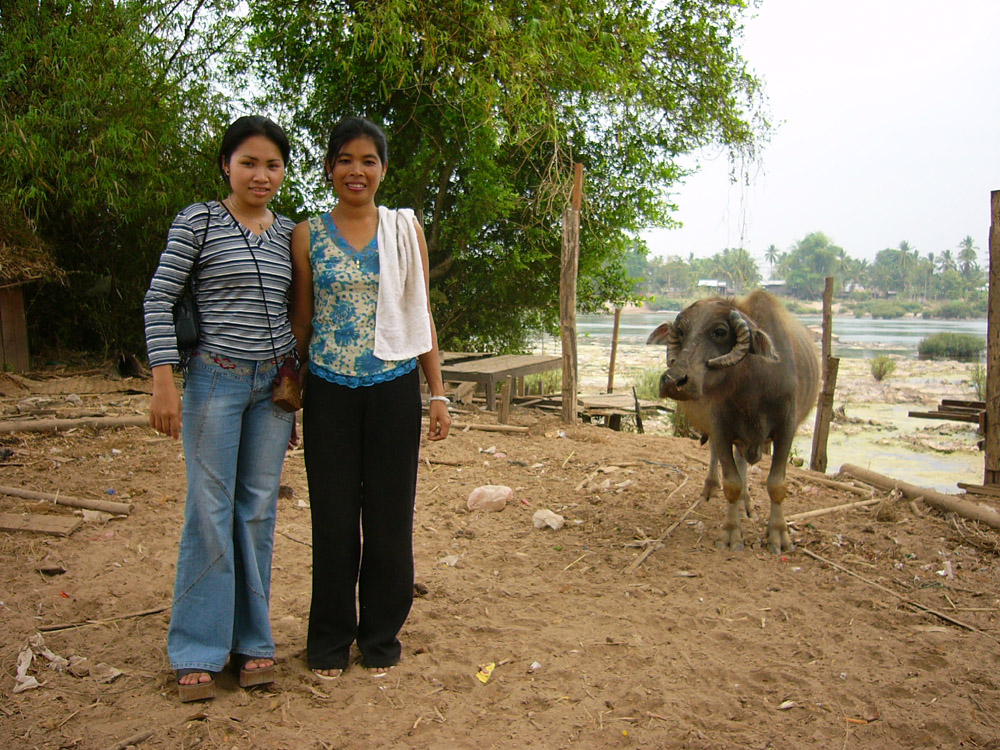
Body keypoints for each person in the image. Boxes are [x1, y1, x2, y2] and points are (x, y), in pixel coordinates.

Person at [289, 116, 450, 679]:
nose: (356, 170)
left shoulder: (404, 230)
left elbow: (421, 311)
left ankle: (380, 638)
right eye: (345, 159)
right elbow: (303, 317)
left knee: (388, 520)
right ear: (330, 166)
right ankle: (329, 642)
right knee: (333, 521)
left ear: (383, 169)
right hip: (329, 391)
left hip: (393, 391)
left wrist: (438, 394)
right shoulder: (306, 233)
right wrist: (291, 382)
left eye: (368, 160)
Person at [143, 115, 298, 702]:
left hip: (274, 389)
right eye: (249, 163)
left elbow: (298, 312)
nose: (261, 175)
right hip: (215, 381)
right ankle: (197, 650)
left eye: (273, 165)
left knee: (256, 511)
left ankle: (253, 644)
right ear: (226, 166)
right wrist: (164, 382)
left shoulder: (288, 233)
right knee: (208, 510)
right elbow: (160, 296)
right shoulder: (199, 221)